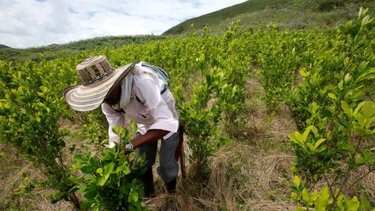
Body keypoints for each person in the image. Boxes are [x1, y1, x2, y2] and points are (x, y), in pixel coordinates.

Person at [64, 55, 180, 196]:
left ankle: (172, 195)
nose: (104, 98)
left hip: (168, 118)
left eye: (105, 91)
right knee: (141, 164)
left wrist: (129, 146)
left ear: (116, 82)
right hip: (145, 123)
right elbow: (116, 132)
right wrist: (115, 154)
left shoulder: (142, 83)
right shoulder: (107, 103)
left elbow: (166, 124)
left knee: (168, 163)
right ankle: (149, 196)